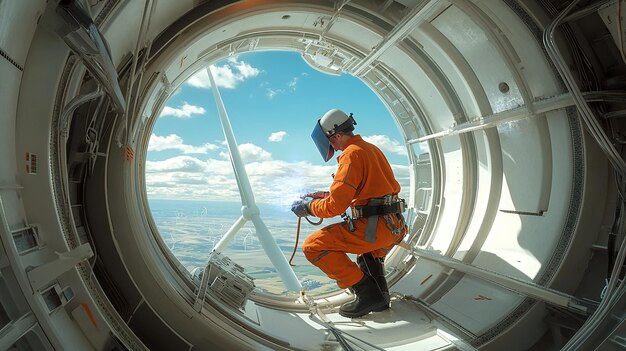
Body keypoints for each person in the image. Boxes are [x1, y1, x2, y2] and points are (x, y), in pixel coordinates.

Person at [291, 108, 407, 318]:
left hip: (376, 228)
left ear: (336, 135)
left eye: (331, 142)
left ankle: (367, 294)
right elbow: (369, 190)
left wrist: (308, 207)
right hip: (394, 226)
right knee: (368, 253)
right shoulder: (370, 149)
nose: (333, 148)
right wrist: (325, 195)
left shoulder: (351, 155)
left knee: (313, 246)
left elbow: (335, 207)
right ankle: (380, 298)